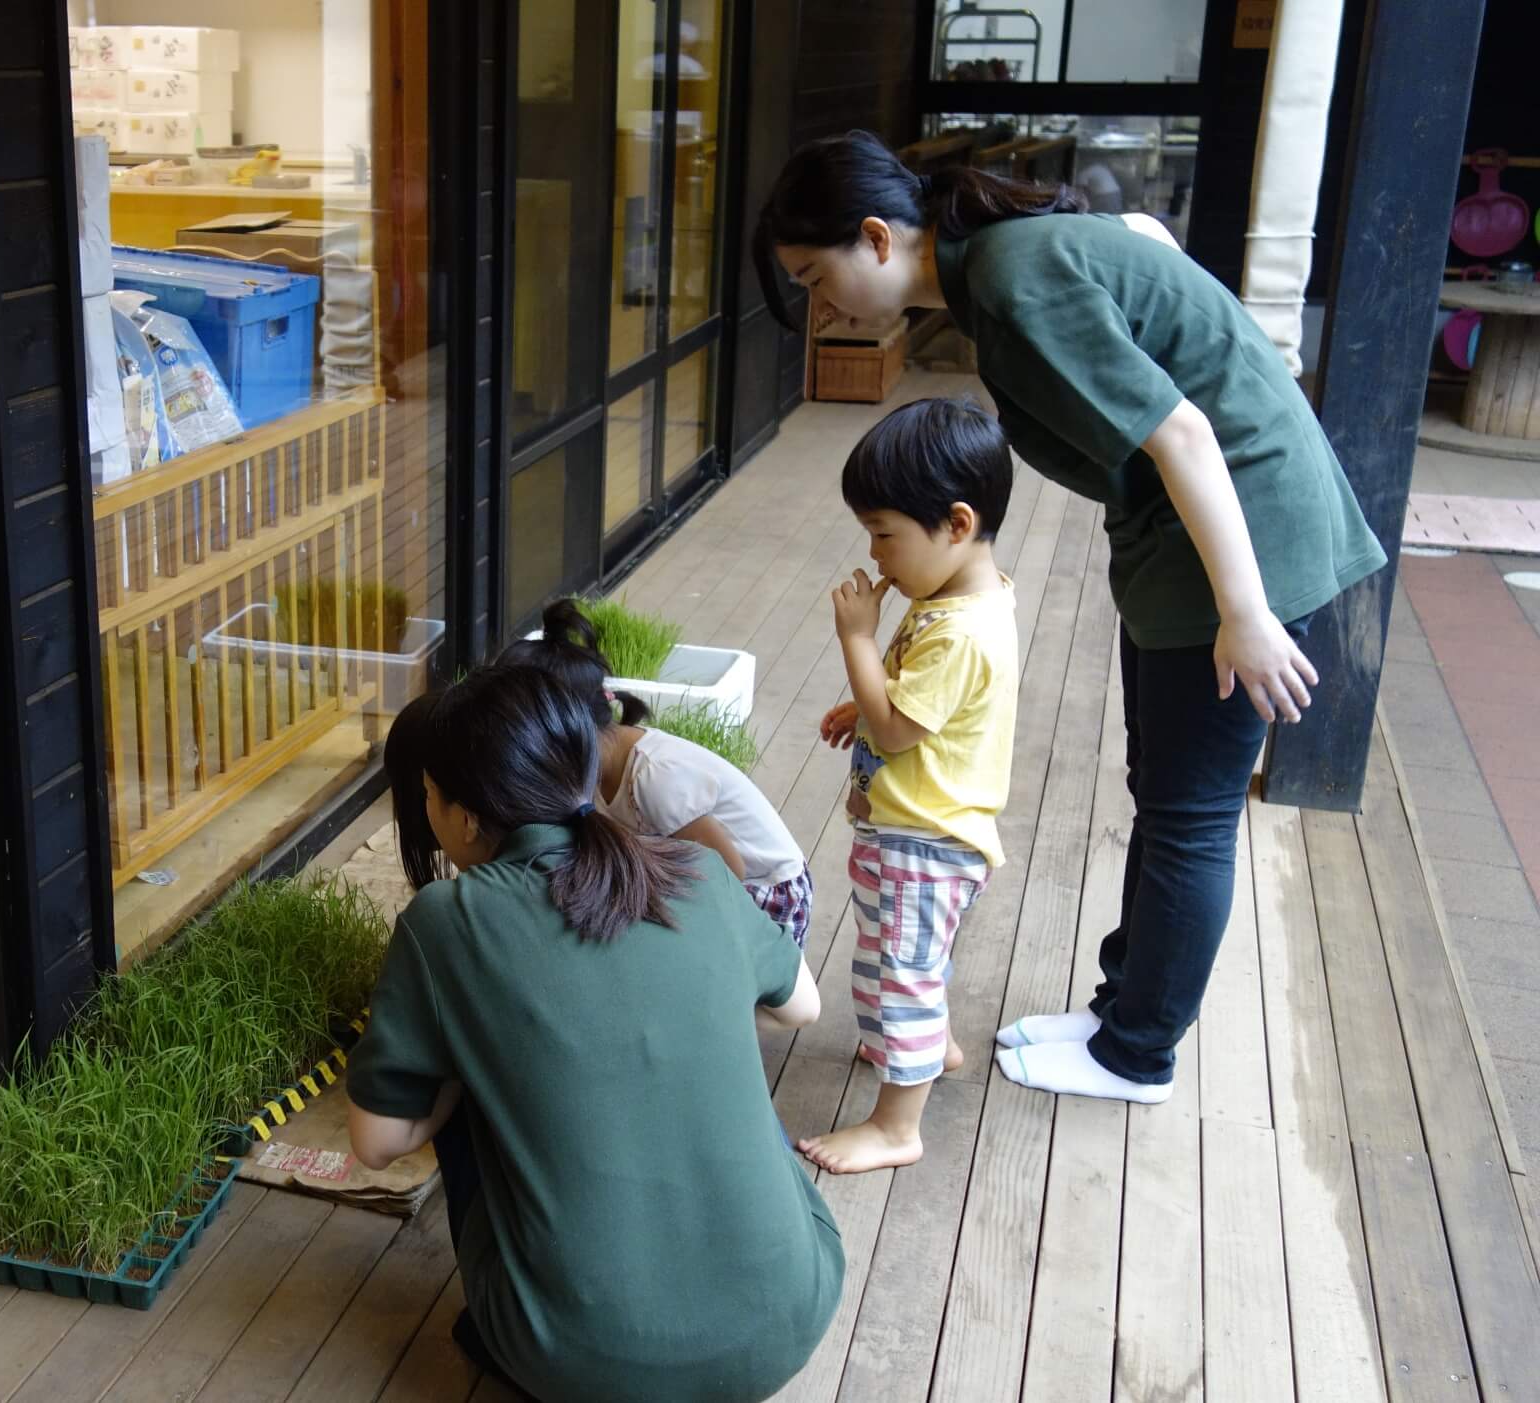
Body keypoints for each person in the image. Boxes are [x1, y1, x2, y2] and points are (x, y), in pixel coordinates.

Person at [754, 132, 1385, 1104]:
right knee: (1165, 796)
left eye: (814, 274)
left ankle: (1135, 1052)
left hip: (1238, 541)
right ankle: (1117, 1010)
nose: (819, 304)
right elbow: (1139, 238)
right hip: (1189, 540)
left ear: (874, 237)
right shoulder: (999, 259)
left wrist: (1245, 609)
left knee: (1188, 815)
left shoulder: (1008, 274)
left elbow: (1178, 428)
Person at [347, 666, 844, 1402]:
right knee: (713, 1056)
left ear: (465, 817)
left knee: (469, 1083)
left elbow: (377, 1142)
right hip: (791, 1316)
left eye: (427, 793)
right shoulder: (699, 871)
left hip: (573, 1359)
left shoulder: (447, 921)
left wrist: (473, 1063)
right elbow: (802, 1007)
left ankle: (507, 1326)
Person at [798, 399, 1019, 1174]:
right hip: (933, 833)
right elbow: (915, 706)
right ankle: (929, 1045)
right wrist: (859, 699)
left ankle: (898, 1124)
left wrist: (856, 640)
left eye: (885, 533)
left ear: (957, 524)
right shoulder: (956, 600)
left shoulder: (960, 629)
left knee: (901, 970)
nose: (875, 553)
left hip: (921, 841)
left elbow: (897, 728)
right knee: (908, 958)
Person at [499, 599, 815, 946]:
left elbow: (727, 874)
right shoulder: (598, 770)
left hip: (767, 892)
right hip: (698, 882)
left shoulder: (655, 777)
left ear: (564, 729)